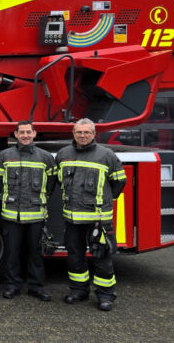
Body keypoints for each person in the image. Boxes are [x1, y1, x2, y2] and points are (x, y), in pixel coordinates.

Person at [56, 118, 126, 311]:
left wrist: (104, 200)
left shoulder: (106, 155)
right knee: (74, 255)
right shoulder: (63, 154)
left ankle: (105, 295)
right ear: (73, 133)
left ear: (94, 134)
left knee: (101, 257)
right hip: (72, 218)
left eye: (87, 132)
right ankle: (79, 290)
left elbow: (119, 181)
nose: (83, 135)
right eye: (79, 132)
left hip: (98, 220)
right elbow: (60, 181)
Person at [0, 120, 56, 301]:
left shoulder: (45, 157)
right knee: (12, 252)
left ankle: (36, 287)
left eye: (28, 132)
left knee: (35, 253)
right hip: (11, 214)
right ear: (15, 134)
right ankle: (12, 286)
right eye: (21, 132)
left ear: (34, 133)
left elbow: (51, 183)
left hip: (36, 215)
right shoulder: (4, 155)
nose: (25, 135)